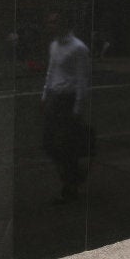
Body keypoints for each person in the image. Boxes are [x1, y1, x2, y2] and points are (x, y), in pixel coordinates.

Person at [41, 11, 91, 203]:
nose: (50, 25)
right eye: (49, 22)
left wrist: (77, 109)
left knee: (66, 146)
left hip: (68, 100)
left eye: (53, 22)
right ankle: (76, 175)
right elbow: (51, 71)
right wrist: (45, 95)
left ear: (64, 24)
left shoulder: (78, 48)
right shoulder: (54, 45)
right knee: (49, 143)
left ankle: (70, 187)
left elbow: (82, 80)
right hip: (54, 98)